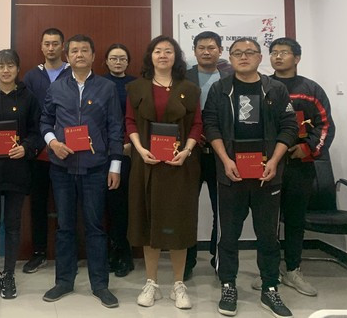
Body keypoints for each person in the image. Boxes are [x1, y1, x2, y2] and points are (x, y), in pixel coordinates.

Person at [202, 37, 298, 318]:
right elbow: (211, 126)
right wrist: (225, 160)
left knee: (268, 235)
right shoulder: (220, 88)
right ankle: (228, 285)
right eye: (237, 53)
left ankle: (270, 287)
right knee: (228, 235)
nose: (243, 57)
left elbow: (289, 127)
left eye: (249, 52)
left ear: (259, 57)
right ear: (229, 58)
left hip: (267, 174)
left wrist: (275, 161)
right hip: (231, 173)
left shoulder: (275, 89)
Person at [40, 34, 123, 309]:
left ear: (93, 55)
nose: (79, 55)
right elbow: (45, 121)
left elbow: (115, 128)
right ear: (67, 56)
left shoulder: (107, 87)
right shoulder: (56, 87)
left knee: (95, 226)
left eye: (84, 50)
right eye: (74, 51)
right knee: (65, 226)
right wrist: (53, 143)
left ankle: (100, 285)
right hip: (62, 168)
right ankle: (64, 281)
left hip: (96, 168)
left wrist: (115, 165)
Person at [127, 35, 203, 309]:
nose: (162, 55)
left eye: (168, 51)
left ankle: (178, 284)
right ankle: (152, 283)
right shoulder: (136, 87)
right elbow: (130, 122)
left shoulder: (189, 89)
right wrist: (139, 149)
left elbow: (197, 125)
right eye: (158, 51)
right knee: (148, 222)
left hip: (179, 165)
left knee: (178, 222)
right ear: (150, 56)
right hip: (146, 164)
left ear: (176, 57)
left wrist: (187, 151)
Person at [256, 37, 334, 296]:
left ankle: (293, 269)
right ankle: (269, 271)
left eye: (284, 52)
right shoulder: (262, 86)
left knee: (294, 218)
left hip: (299, 164)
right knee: (267, 220)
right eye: (274, 52)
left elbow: (325, 125)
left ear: (297, 58)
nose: (278, 57)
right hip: (268, 163)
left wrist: (308, 148)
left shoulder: (310, 89)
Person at [0, 49, 43, 300]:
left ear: (17, 69)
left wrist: (26, 148)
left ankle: (9, 273)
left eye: (10, 66)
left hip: (17, 170)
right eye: (1, 66)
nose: (5, 70)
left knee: (13, 224)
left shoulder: (29, 98)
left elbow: (37, 132)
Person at [184, 31, 232, 280]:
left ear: (220, 51)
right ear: (194, 51)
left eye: (211, 47)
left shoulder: (230, 78)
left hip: (219, 153)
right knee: (186, 208)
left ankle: (218, 258)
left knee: (221, 210)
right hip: (189, 152)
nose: (206, 52)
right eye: (201, 47)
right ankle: (186, 261)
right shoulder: (183, 76)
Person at [21, 27, 70, 273]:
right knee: (38, 204)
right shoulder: (31, 77)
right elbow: (27, 114)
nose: (51, 48)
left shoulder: (74, 72)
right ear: (41, 47)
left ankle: (67, 254)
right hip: (38, 152)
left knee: (66, 204)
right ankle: (39, 252)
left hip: (69, 151)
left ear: (63, 46)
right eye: (47, 44)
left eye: (55, 43)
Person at [101, 43, 136, 278]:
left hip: (128, 151)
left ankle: (124, 253)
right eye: (113, 58)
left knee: (122, 205)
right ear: (105, 61)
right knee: (104, 205)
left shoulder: (135, 85)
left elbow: (139, 119)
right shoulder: (98, 83)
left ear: (128, 62)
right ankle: (109, 252)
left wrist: (131, 144)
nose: (118, 62)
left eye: (122, 58)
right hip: (100, 151)